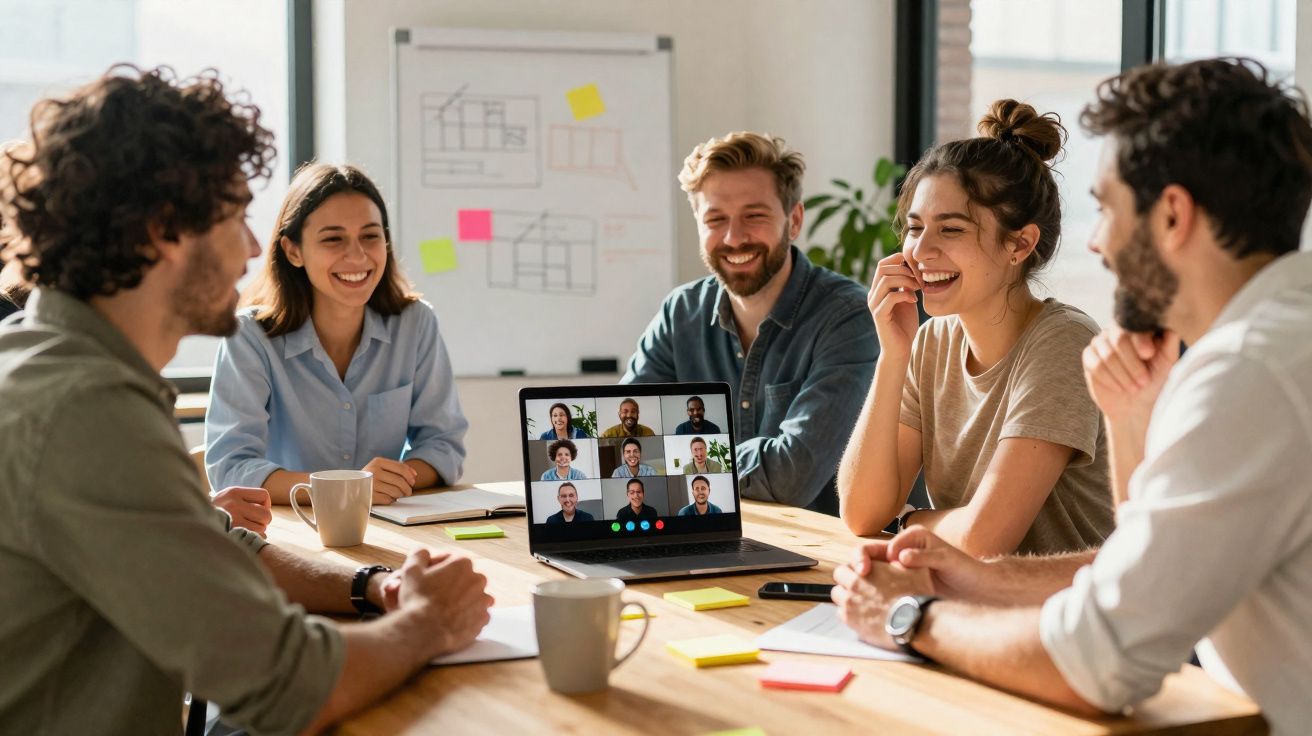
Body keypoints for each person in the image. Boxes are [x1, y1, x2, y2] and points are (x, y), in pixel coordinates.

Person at [0, 65, 492, 734]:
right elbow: (292, 685)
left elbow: (219, 545)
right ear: (164, 230)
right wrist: (430, 622)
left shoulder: (52, 367)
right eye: (236, 216)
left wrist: (372, 586)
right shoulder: (85, 410)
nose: (255, 248)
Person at [829, 58, 1312, 736]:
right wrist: (965, 575)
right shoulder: (1277, 344)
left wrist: (909, 617)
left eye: (1108, 208)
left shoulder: (1249, 374)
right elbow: (1140, 567)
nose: (1094, 241)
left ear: (1172, 214)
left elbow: (1100, 662)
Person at [837, 100, 1113, 557]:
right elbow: (863, 513)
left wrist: (907, 520)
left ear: (1020, 244)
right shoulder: (930, 341)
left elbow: (985, 539)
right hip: (969, 602)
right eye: (914, 228)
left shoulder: (1064, 344)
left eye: (951, 230)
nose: (920, 251)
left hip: (1061, 616)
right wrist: (893, 355)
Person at [623, 132, 878, 515]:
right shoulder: (681, 314)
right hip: (704, 536)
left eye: (754, 216)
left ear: (793, 221)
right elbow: (626, 447)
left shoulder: (848, 317)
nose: (734, 237)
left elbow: (795, 477)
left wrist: (683, 459)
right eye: (715, 219)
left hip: (816, 562)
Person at [205, 162, 468, 506]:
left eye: (370, 236)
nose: (357, 256)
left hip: (390, 524)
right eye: (333, 239)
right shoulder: (250, 337)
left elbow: (444, 445)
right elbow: (232, 466)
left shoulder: (416, 323)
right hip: (290, 528)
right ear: (293, 251)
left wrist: (388, 482)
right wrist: (349, 488)